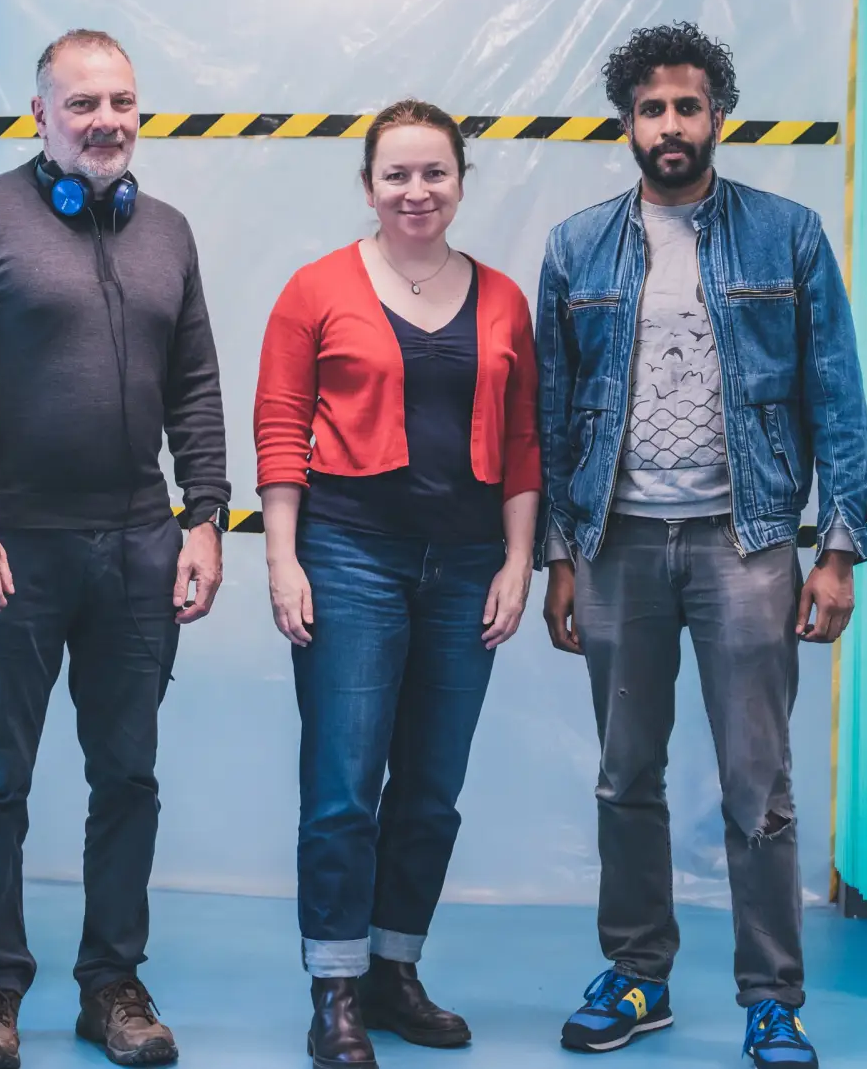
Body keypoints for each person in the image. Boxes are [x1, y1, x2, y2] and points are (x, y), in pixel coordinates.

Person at [535, 23, 867, 1068]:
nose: (670, 125)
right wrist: (559, 551)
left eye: (687, 106)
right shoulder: (575, 245)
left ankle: (772, 995)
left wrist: (836, 548)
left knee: (756, 785)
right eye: (651, 108)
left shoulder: (788, 235)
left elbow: (836, 399)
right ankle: (637, 973)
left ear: (716, 116)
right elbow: (551, 416)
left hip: (748, 541)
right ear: (626, 122)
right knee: (623, 774)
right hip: (618, 545)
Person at [0, 29, 230, 1069]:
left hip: (138, 546)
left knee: (126, 774)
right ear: (38, 114)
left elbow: (195, 386)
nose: (106, 121)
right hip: (14, 549)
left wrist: (205, 515)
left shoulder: (168, 233)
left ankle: (111, 986)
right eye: (81, 103)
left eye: (122, 102)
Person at [253, 99, 541, 1068]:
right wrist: (281, 555)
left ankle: (392, 969)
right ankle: (333, 986)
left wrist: (515, 559)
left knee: (430, 790)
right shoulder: (314, 289)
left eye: (434, 173)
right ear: (368, 185)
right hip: (348, 556)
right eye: (396, 175)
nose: (415, 191)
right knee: (341, 786)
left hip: (465, 566)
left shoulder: (500, 298)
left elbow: (521, 442)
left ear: (460, 180)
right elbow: (280, 425)